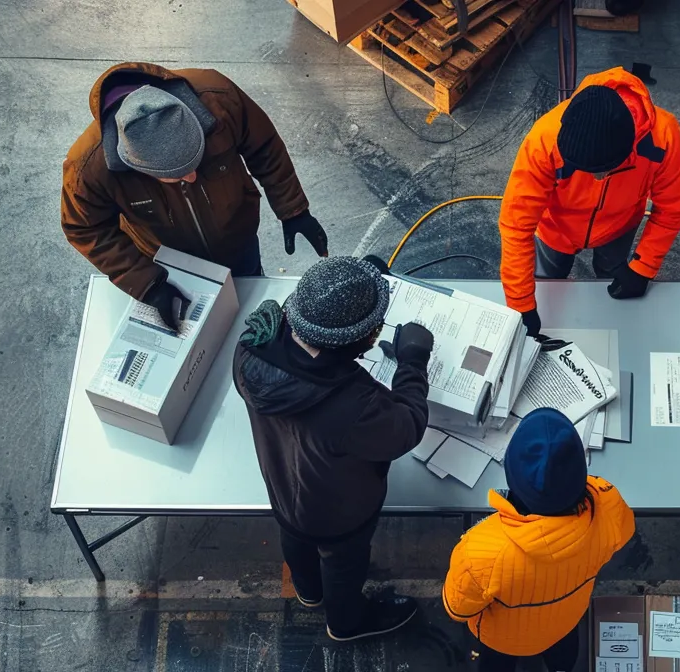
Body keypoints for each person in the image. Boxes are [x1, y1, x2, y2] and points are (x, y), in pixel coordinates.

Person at [233, 257, 430, 641]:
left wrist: (357, 285)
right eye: (374, 328)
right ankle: (346, 623)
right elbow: (406, 428)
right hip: (341, 514)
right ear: (355, 342)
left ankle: (308, 592)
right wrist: (413, 363)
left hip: (283, 490)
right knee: (344, 566)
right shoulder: (354, 403)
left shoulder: (252, 344)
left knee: (295, 540)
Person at [63, 62, 329, 329]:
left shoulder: (218, 98)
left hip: (238, 241)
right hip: (170, 266)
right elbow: (85, 229)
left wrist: (293, 209)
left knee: (250, 309)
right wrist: (147, 283)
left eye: (196, 161)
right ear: (138, 167)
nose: (191, 177)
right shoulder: (88, 168)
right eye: (178, 175)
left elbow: (264, 146)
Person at [497, 66, 680, 336]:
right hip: (556, 231)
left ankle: (611, 272)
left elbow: (673, 208)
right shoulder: (544, 139)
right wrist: (521, 306)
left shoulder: (664, 136)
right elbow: (516, 225)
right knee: (549, 281)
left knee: (612, 278)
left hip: (619, 228)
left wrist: (643, 266)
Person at [444, 408, 636, 671]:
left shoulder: (480, 550)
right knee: (564, 656)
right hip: (564, 622)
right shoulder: (609, 506)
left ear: (511, 475)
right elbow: (623, 533)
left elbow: (457, 609)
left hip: (502, 640)